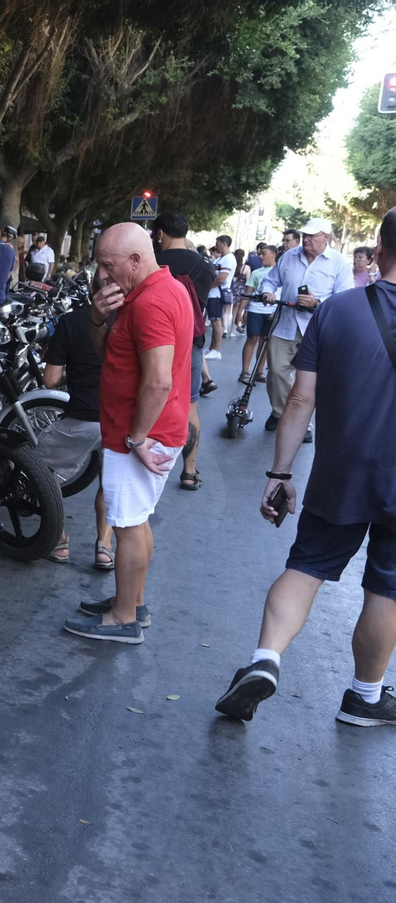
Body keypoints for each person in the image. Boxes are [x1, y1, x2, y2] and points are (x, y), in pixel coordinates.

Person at [215, 207, 396, 726]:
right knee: (386, 586)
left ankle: (265, 660)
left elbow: (299, 401)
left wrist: (279, 474)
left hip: (341, 473)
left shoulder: (336, 311)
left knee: (306, 568)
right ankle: (365, 695)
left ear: (377, 251)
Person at [63, 223, 191, 644]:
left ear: (135, 260)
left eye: (108, 265)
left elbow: (157, 382)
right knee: (137, 521)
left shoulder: (150, 302)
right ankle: (131, 602)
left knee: (128, 526)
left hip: (138, 436)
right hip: (145, 432)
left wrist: (136, 437)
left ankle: (122, 618)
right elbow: (113, 356)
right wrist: (99, 318)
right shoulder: (154, 292)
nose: (102, 274)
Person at [258, 218, 353, 437]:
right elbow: (272, 280)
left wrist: (317, 303)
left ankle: (302, 423)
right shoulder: (289, 256)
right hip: (286, 324)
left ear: (325, 238)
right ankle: (281, 413)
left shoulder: (338, 262)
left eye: (312, 236)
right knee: (276, 372)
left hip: (318, 328)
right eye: (305, 235)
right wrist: (269, 292)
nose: (307, 240)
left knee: (311, 380)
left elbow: (345, 298)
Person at [40, 301, 112, 570]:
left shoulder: (70, 322)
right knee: (111, 483)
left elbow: (50, 380)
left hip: (83, 417)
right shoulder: (132, 318)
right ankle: (104, 548)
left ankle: (59, 540)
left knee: (40, 466)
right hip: (121, 421)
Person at [150, 212, 213, 492]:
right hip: (191, 341)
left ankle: (147, 460)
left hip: (152, 341)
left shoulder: (152, 263)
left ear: (160, 233)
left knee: (151, 396)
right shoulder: (205, 266)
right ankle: (188, 471)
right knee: (190, 406)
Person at [239, 244, 277, 382]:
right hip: (256, 309)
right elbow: (247, 294)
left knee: (265, 341)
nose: (260, 257)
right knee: (252, 338)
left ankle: (259, 371)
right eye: (259, 254)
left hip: (272, 310)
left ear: (273, 254)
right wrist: (240, 311)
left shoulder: (281, 272)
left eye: (263, 254)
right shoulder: (256, 273)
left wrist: (278, 311)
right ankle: (245, 371)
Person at [202, 235, 233, 361]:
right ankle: (212, 348)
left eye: (218, 243)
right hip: (214, 294)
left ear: (224, 244)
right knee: (215, 321)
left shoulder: (228, 259)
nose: (216, 246)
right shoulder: (223, 258)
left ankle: (216, 349)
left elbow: (221, 278)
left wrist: (208, 287)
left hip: (216, 294)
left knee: (216, 322)